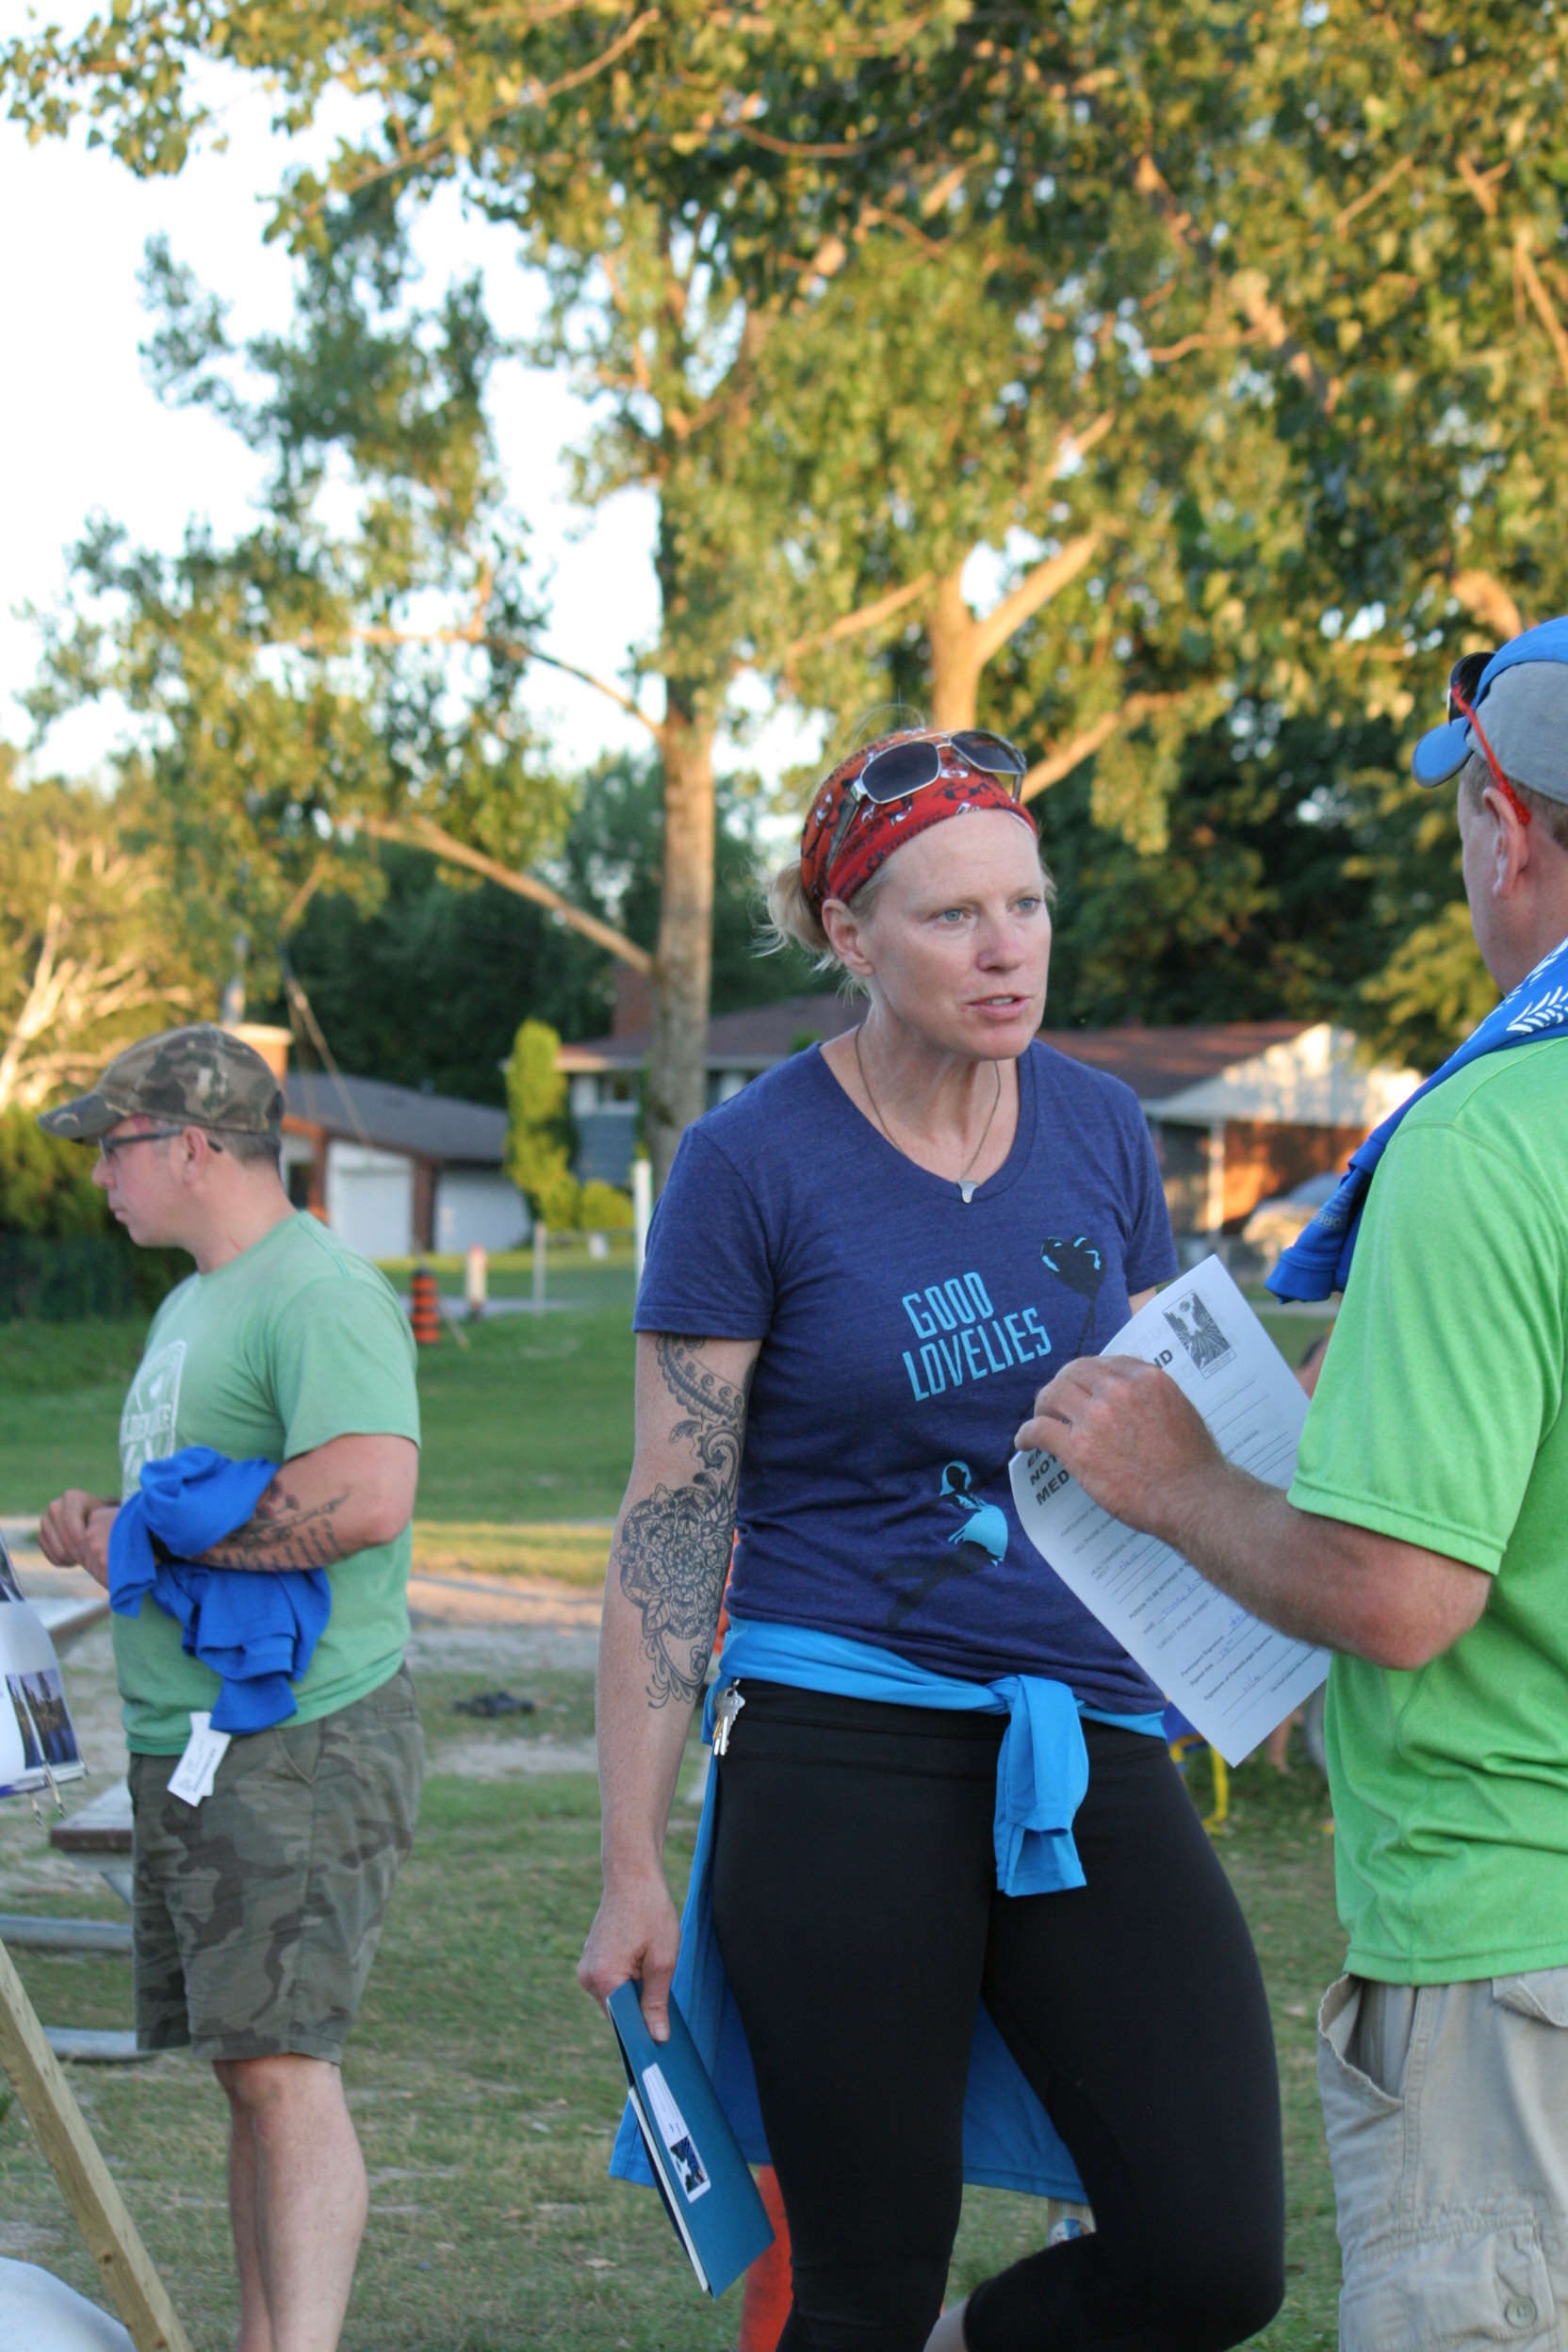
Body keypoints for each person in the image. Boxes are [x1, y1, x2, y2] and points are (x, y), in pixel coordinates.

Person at [580, 727, 1285, 2352]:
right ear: (849, 934)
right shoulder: (747, 1165)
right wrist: (630, 1857)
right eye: (952, 915)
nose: (1006, 949)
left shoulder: (1104, 1131)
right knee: (862, 2285)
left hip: (1080, 1734)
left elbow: (1159, 1425)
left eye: (1027, 904)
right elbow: (675, 1518)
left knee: (1210, 2258)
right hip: (836, 1740)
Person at [1016, 623, 1568, 2350]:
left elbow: (1403, 1598)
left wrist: (1174, 1480)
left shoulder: (1489, 1140)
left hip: (1510, 1944)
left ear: (1506, 815)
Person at [35, 1025, 423, 2352]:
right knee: (247, 2072)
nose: (99, 1175)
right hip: (199, 1743)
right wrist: (108, 1528)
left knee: (285, 2070)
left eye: (113, 1146)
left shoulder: (313, 1291)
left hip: (297, 1740)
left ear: (192, 1144)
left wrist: (158, 1534)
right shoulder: (191, 1301)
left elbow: (367, 1493)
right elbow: (194, 1517)